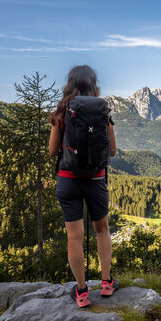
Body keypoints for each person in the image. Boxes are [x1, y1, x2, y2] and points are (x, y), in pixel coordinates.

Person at [48, 65, 118, 308]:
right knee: (102, 230)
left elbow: (52, 150)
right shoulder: (103, 111)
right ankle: (107, 283)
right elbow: (112, 149)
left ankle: (81, 292)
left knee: (74, 238)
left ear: (70, 83)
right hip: (96, 180)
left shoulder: (61, 112)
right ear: (93, 84)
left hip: (68, 180)